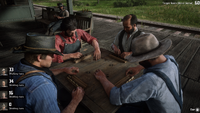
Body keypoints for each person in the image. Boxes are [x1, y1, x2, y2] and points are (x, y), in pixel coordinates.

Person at [94, 33, 183, 113]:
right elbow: (155, 63)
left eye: (139, 60)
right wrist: (138, 68)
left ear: (147, 58)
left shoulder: (152, 80)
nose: (138, 62)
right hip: (174, 107)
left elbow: (115, 96)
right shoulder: (171, 60)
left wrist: (102, 78)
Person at [12, 33, 85, 113]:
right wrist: (75, 100)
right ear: (39, 57)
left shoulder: (19, 66)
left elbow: (38, 73)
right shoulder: (43, 87)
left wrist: (63, 69)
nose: (53, 57)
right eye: (51, 55)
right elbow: (40, 84)